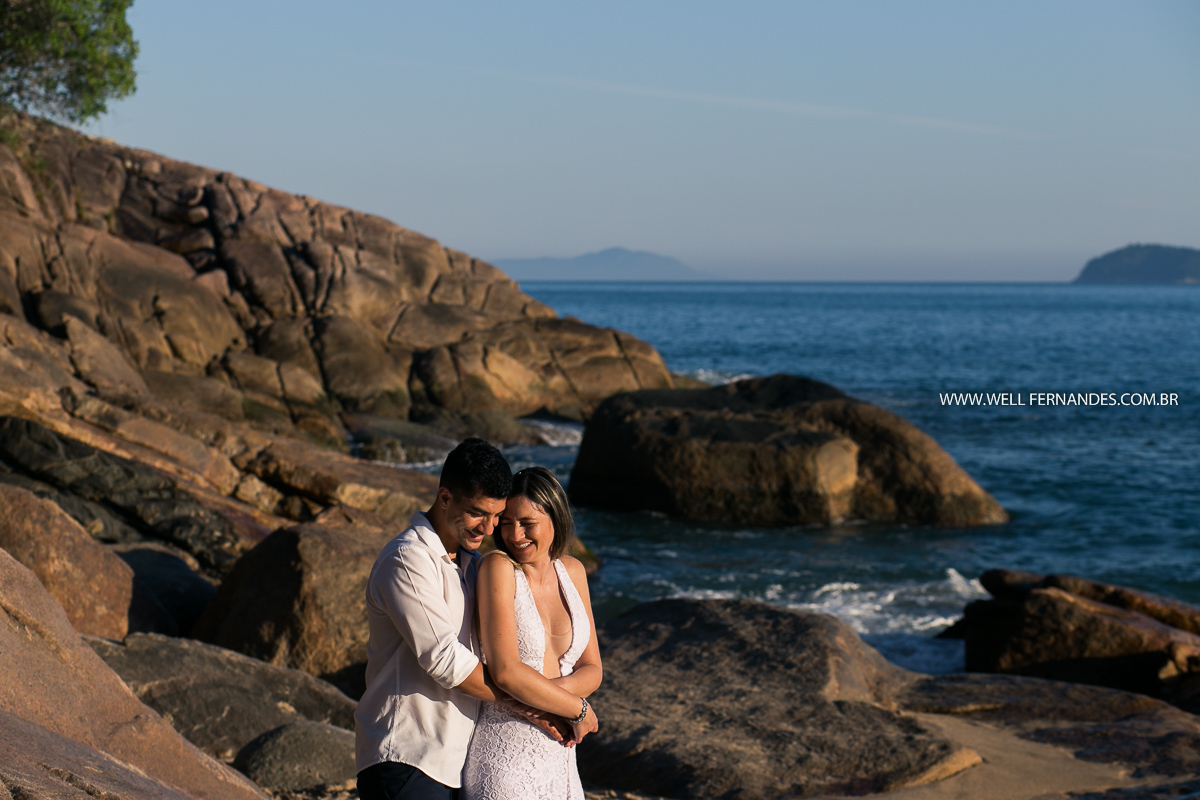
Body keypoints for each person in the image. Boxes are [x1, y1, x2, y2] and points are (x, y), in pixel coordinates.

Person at [355, 437, 517, 800]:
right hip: (405, 757)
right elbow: (444, 659)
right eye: (478, 513)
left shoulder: (473, 564)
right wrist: (525, 701)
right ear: (445, 498)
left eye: (496, 517)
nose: (488, 529)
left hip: (455, 762)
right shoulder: (407, 559)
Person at [462, 466, 602, 800]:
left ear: (556, 517)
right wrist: (576, 709)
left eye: (528, 523)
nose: (515, 534)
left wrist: (555, 702)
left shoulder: (573, 571)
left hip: (562, 757)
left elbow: (593, 668)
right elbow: (507, 672)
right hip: (505, 760)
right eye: (506, 523)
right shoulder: (498, 568)